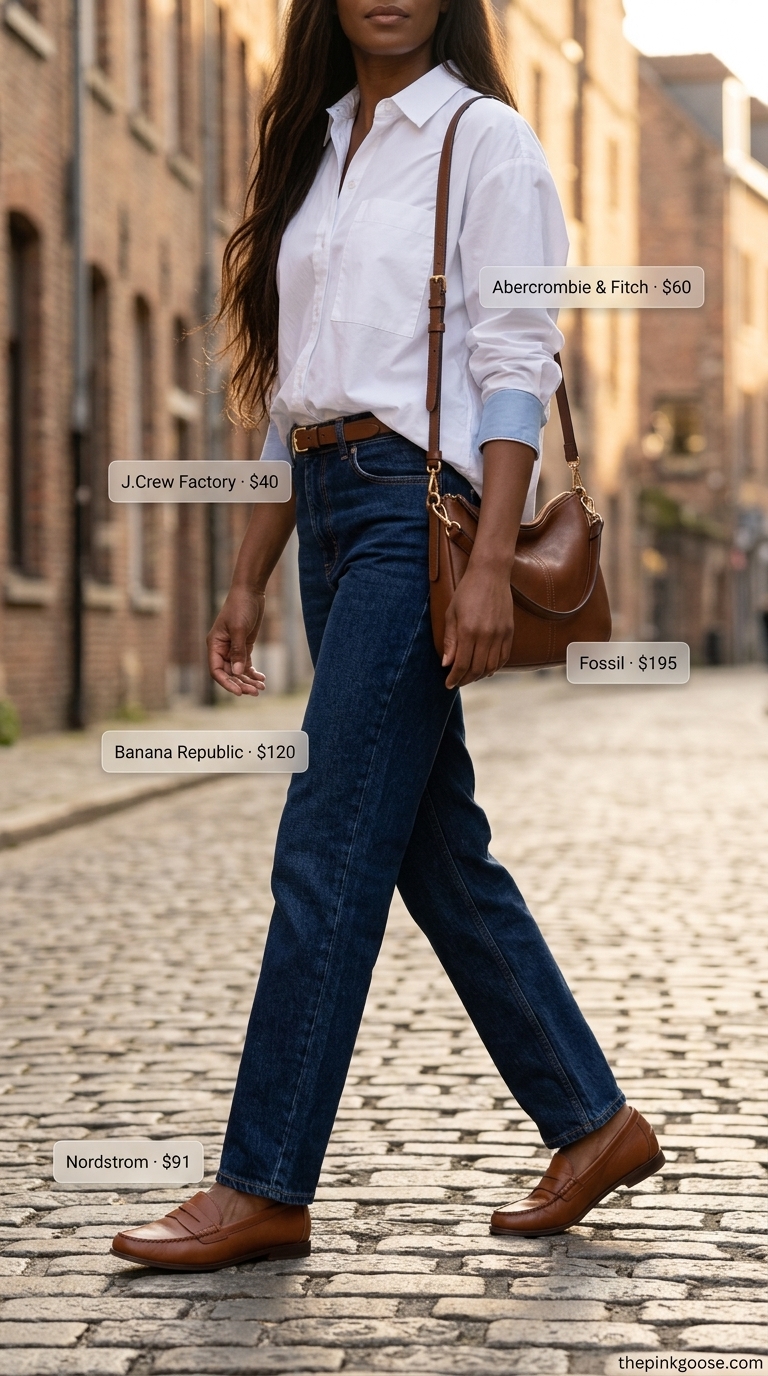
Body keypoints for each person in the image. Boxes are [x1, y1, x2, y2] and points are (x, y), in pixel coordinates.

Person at [112, 0, 664, 1271]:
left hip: (423, 514)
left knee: (323, 845)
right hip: (328, 508)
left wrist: (485, 553)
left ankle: (263, 1180)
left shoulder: (486, 141)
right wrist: (248, 571)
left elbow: (518, 349)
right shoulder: (316, 149)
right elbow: (292, 389)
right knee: (431, 847)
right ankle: (595, 1121)